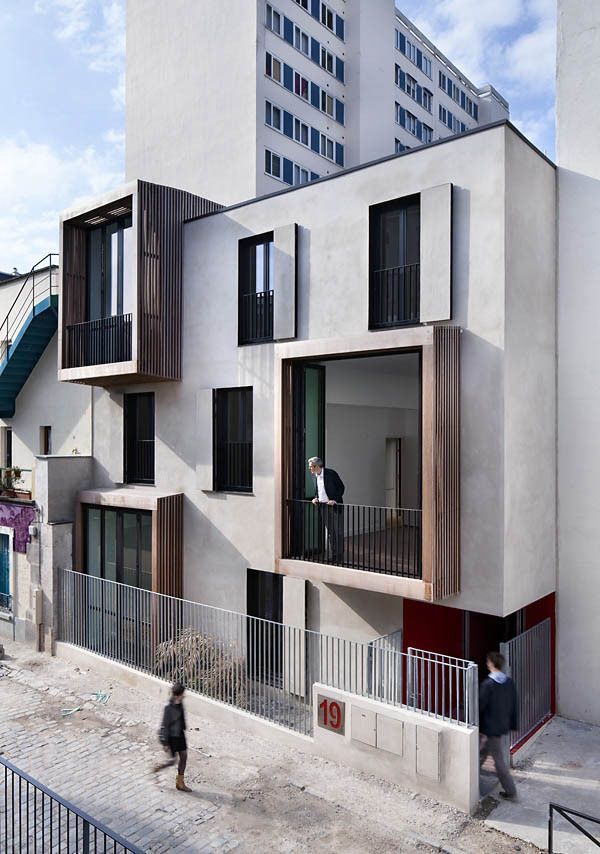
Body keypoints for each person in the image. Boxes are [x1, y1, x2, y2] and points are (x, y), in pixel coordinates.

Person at [479, 651, 518, 799]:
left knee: (498, 760)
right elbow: (514, 704)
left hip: (490, 728)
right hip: (501, 725)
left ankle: (511, 790)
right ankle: (472, 779)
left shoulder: (488, 684)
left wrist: (478, 727)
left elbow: (481, 707)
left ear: (490, 663)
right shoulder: (508, 682)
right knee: (482, 754)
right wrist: (512, 723)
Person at [308, 457, 345, 563]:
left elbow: (341, 487)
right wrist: (316, 498)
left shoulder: (330, 473)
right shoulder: (314, 476)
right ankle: (334, 555)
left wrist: (335, 500)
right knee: (331, 532)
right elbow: (318, 490)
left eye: (311, 467)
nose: (309, 469)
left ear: (316, 466)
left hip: (334, 506)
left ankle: (340, 556)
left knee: (338, 532)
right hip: (323, 507)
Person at [158, 682, 191, 792]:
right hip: (172, 737)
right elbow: (164, 725)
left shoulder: (180, 703)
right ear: (177, 695)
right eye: (182, 694)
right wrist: (165, 743)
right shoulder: (168, 707)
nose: (184, 696)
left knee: (184, 756)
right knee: (172, 761)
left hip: (180, 734)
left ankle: (180, 783)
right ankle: (159, 767)